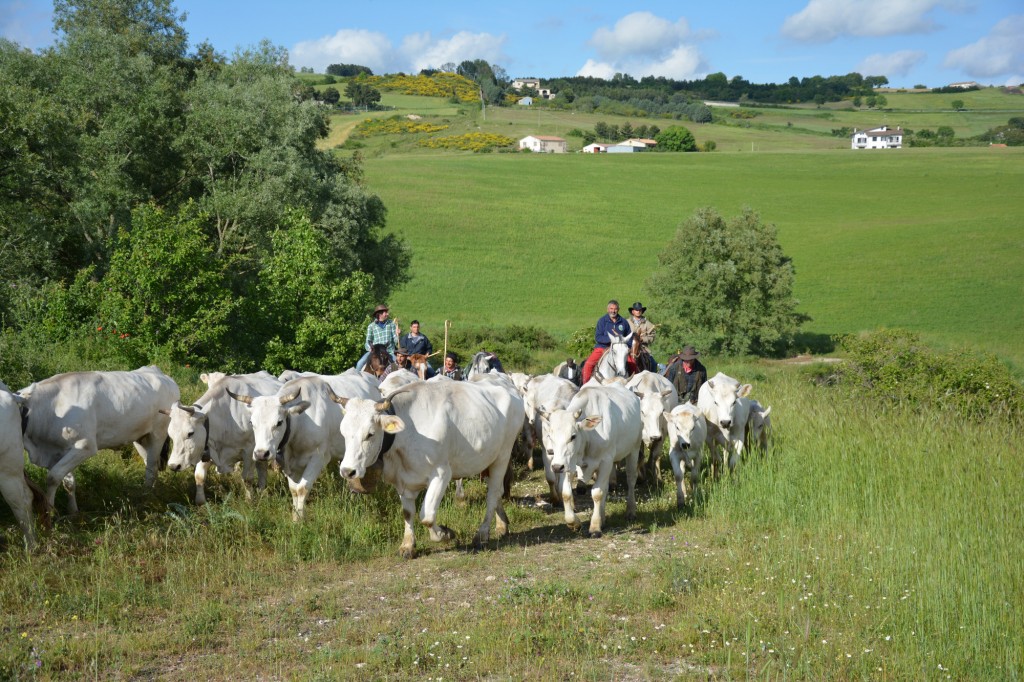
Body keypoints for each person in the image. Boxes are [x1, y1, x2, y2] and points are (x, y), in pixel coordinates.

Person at [581, 300, 633, 384]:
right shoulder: (602, 321)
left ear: (618, 309)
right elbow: (598, 337)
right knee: (588, 364)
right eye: (611, 308)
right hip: (602, 347)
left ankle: (634, 386)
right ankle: (584, 385)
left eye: (615, 309)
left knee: (633, 364)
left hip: (620, 349)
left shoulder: (623, 322)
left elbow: (629, 336)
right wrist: (612, 339)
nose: (613, 311)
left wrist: (628, 347)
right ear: (607, 309)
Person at [355, 304, 399, 371]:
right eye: (385, 313)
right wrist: (371, 348)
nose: (387, 314)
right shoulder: (371, 326)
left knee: (398, 365)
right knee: (359, 363)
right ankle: (357, 378)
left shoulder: (391, 324)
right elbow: (368, 341)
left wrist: (397, 334)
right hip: (375, 351)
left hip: (389, 351)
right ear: (380, 314)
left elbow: (396, 341)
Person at [626, 302, 657, 373]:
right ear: (633, 311)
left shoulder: (648, 323)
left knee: (653, 364)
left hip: (643, 348)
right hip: (629, 347)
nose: (638, 311)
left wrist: (643, 339)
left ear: (642, 311)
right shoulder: (626, 322)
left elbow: (652, 336)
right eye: (636, 310)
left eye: (640, 310)